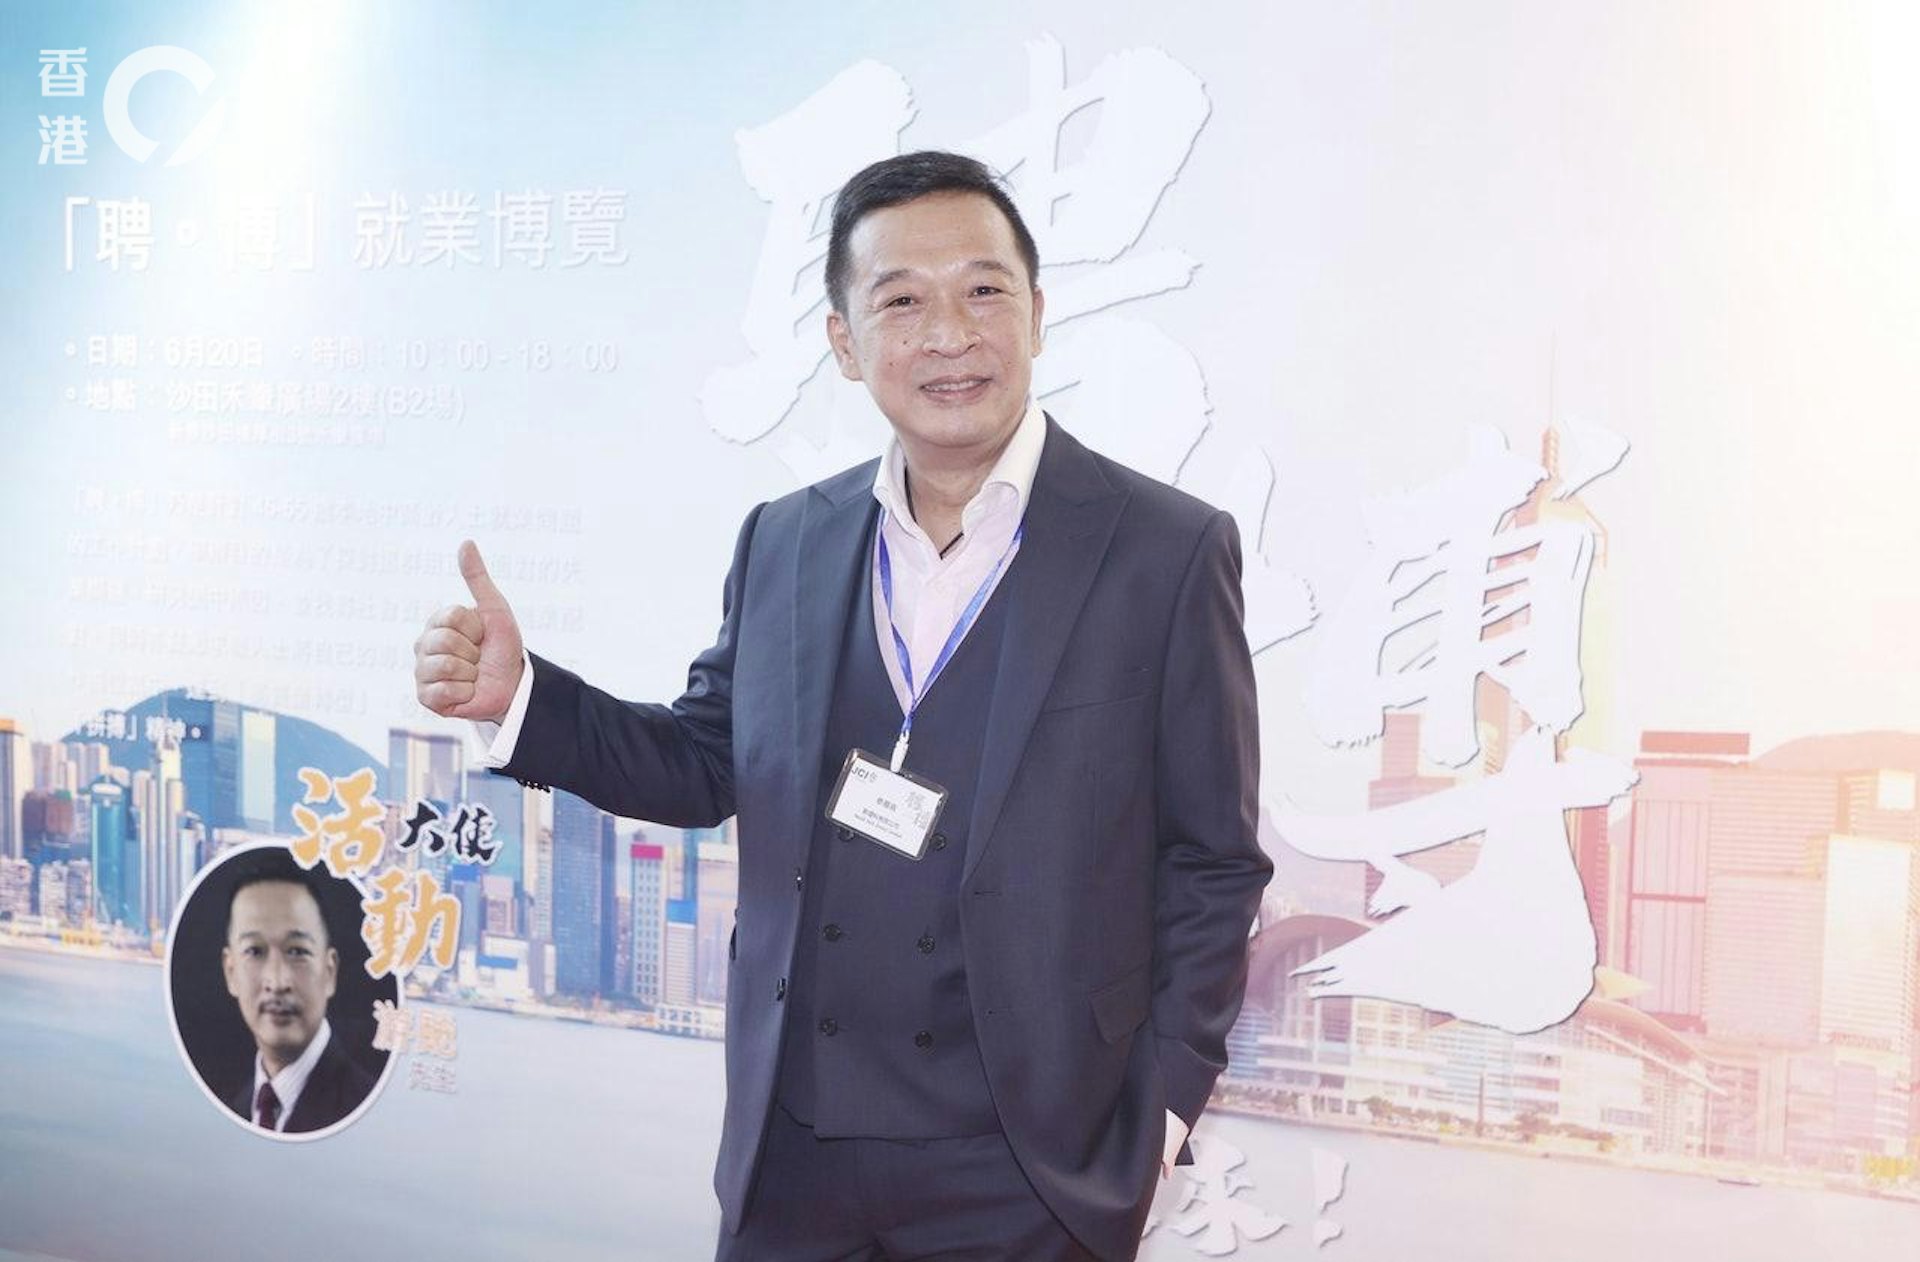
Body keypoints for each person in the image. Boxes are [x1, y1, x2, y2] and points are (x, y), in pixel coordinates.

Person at [414, 150, 1270, 1260]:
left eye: (983, 290)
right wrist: (525, 700)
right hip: (796, 1147)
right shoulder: (787, 539)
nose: (949, 334)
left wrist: (1154, 1121)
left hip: (1031, 1165)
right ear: (845, 342)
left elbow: (1213, 860)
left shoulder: (1165, 550)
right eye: (901, 301)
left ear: (1038, 313)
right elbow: (706, 758)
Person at [218, 850, 378, 1134]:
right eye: (254, 951)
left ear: (329, 971)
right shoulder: (232, 1106)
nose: (277, 981)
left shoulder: (364, 1107)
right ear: (231, 972)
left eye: (297, 952)